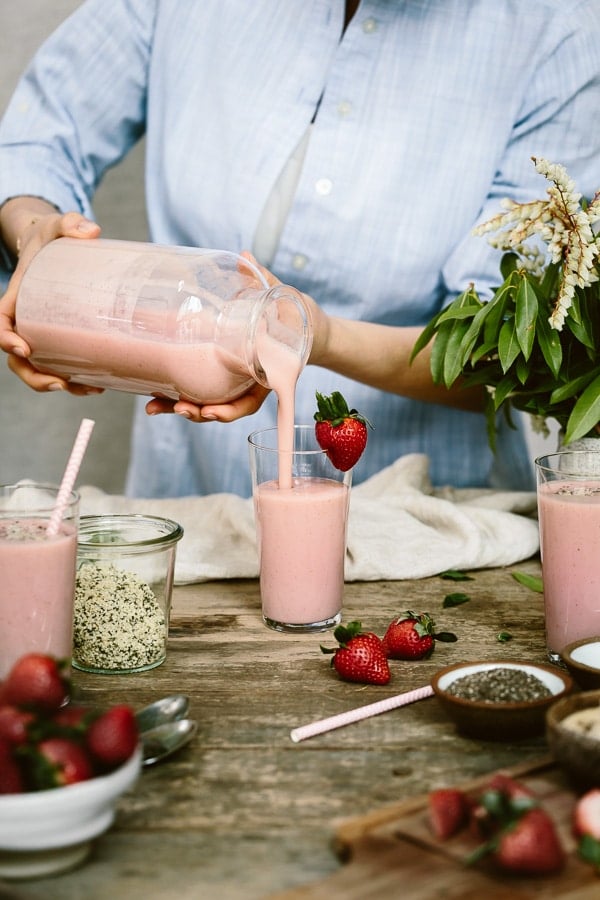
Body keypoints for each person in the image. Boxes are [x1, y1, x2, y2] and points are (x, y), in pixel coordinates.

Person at [1, 0, 599, 499]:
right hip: (189, 500)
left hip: (418, 527)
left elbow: (512, 354)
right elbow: (40, 133)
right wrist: (36, 229)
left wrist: (322, 336)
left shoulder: (559, 32)